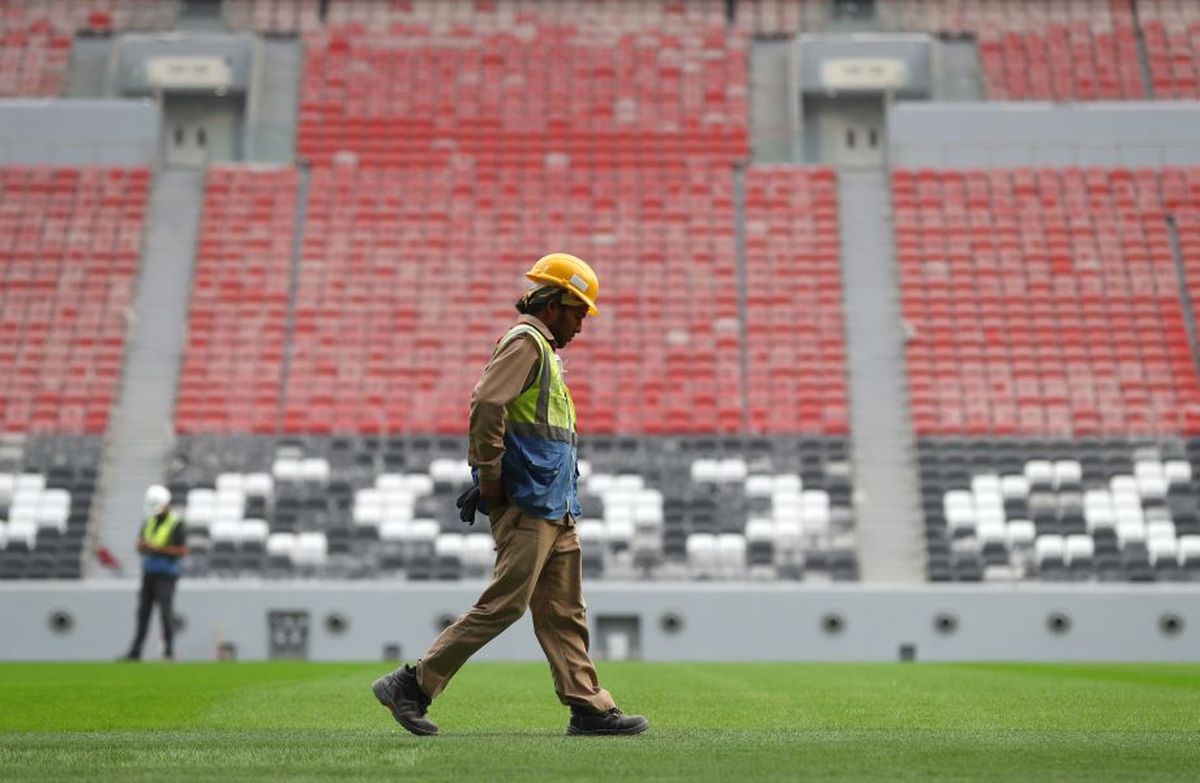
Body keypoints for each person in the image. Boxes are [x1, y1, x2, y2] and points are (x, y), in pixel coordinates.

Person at [372, 253, 648, 737]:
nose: (581, 325)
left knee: (565, 612)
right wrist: (490, 476)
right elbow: (487, 403)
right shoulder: (527, 343)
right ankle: (412, 685)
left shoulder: (545, 352)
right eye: (578, 311)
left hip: (554, 503)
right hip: (527, 503)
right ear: (555, 303)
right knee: (504, 603)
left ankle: (588, 706)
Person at [121, 484, 188, 661]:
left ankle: (168, 651)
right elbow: (141, 544)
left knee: (166, 613)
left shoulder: (176, 523)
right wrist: (143, 547)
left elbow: (181, 551)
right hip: (149, 573)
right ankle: (135, 652)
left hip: (167, 575)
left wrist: (156, 548)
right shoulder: (149, 521)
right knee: (143, 613)